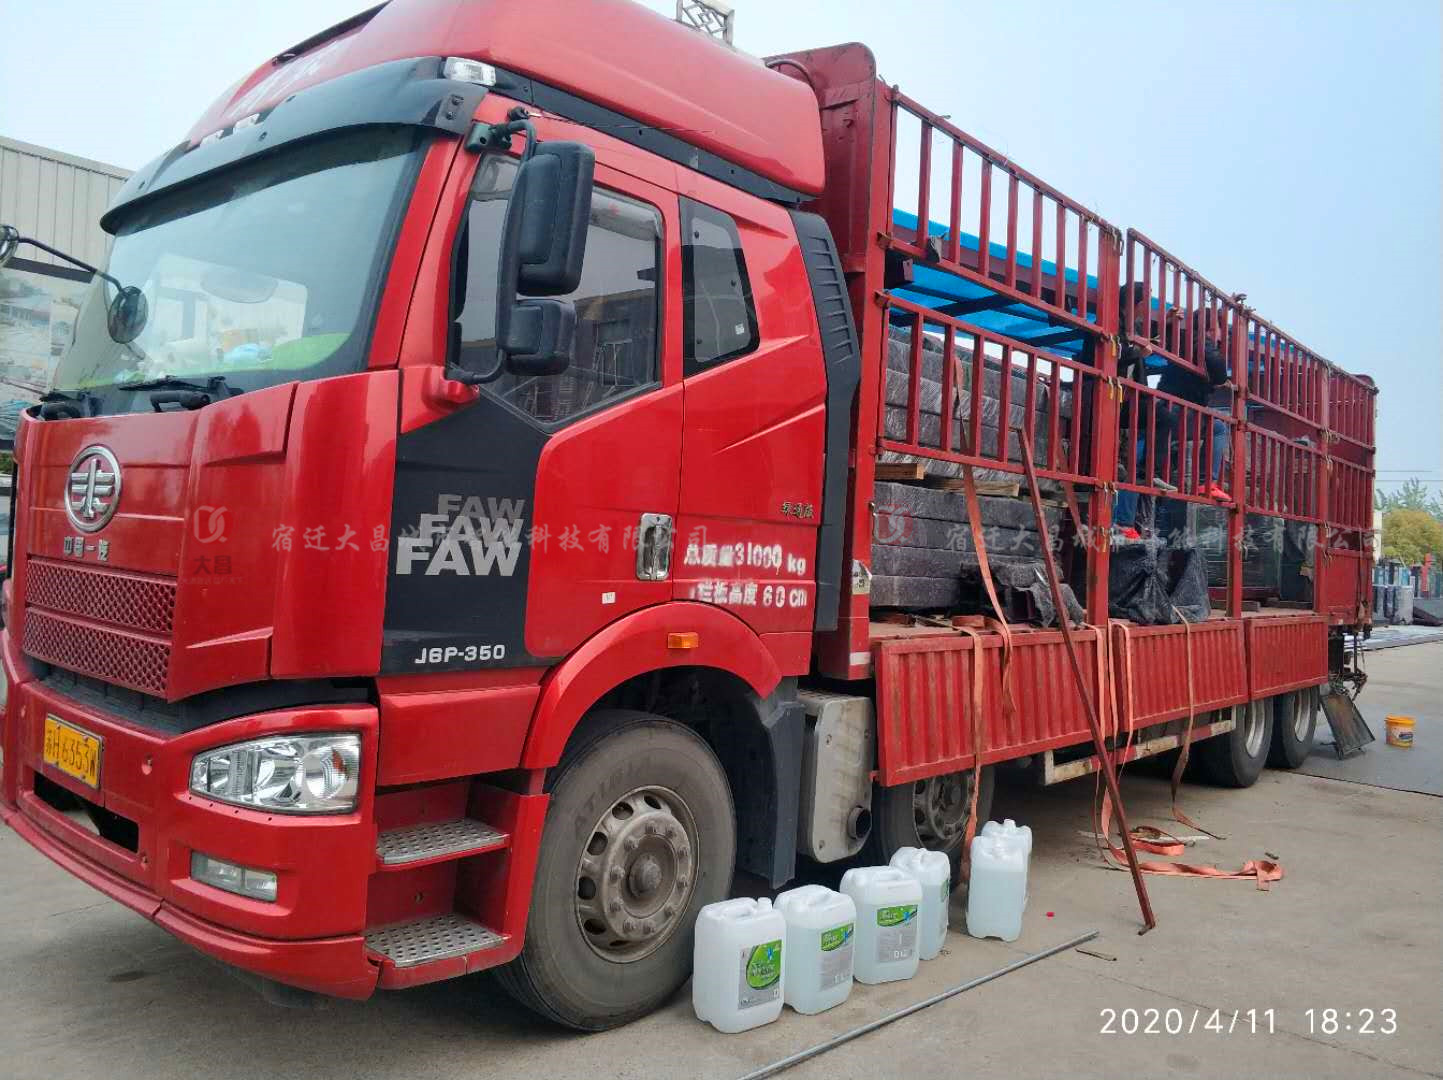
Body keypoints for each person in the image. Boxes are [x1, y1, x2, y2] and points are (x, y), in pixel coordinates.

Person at [1112, 284, 1177, 540]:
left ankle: (1147, 474)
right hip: (1109, 397)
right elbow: (1112, 352)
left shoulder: (1133, 327)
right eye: (1147, 302)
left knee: (1163, 418)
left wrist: (1166, 323)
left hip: (1129, 401)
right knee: (1163, 419)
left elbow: (1147, 337)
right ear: (1137, 303)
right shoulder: (1112, 322)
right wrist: (1137, 352)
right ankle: (1145, 476)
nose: (1148, 308)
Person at [1158, 306, 1232, 501]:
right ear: (1210, 329)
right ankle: (1206, 484)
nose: (1223, 335)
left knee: (1145, 464)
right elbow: (1219, 371)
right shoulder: (1199, 341)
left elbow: (1163, 341)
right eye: (1220, 328)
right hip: (1178, 409)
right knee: (1218, 428)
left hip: (1166, 407)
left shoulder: (1182, 338)